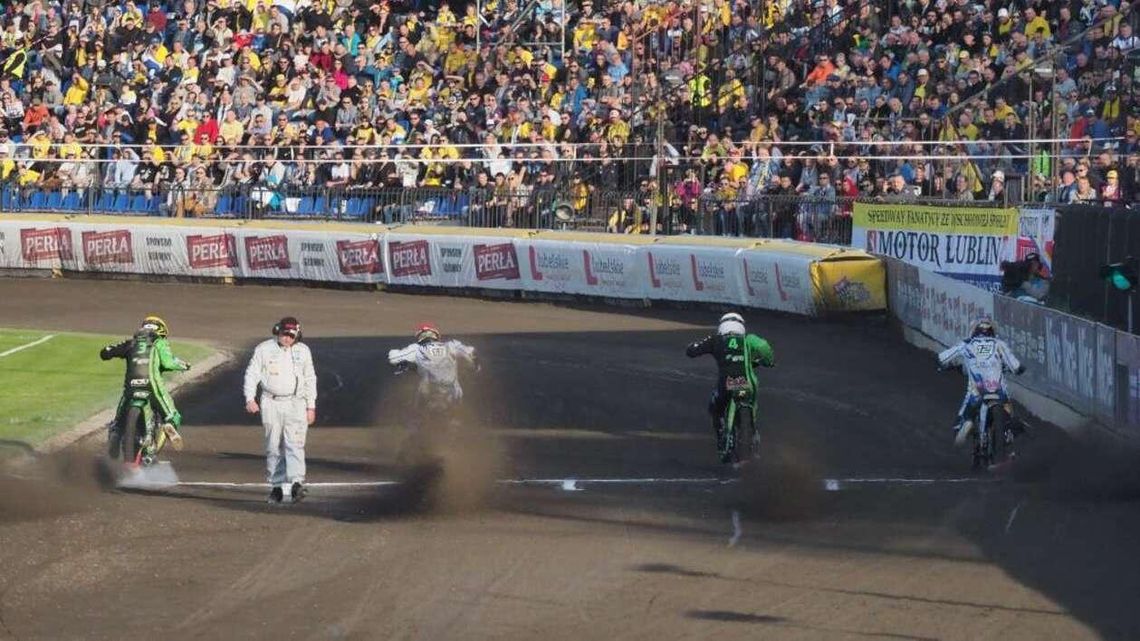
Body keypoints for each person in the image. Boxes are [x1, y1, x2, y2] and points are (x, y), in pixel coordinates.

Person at [243, 317, 317, 504]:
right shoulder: (263, 349)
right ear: (278, 331)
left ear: (297, 335)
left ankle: (296, 483)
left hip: (296, 402)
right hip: (271, 402)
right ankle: (276, 486)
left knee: (295, 444)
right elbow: (252, 374)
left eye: (292, 336)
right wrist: (250, 398)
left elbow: (310, 378)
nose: (287, 338)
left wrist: (311, 406)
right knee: (273, 446)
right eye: (285, 334)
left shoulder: (303, 351)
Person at [685, 313, 775, 462]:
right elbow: (764, 347)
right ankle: (752, 434)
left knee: (714, 408)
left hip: (725, 384)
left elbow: (692, 351)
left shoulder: (716, 340)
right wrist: (769, 361)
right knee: (752, 403)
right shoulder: (749, 339)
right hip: (745, 383)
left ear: (722, 326)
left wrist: (690, 347)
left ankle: (722, 439)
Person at [100, 315, 190, 461]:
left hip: (131, 385)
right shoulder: (159, 342)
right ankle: (155, 444)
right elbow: (168, 363)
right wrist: (184, 365)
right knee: (173, 415)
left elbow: (106, 352)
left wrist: (107, 351)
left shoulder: (131, 342)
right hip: (152, 385)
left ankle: (115, 432)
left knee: (121, 412)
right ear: (162, 332)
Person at [937, 318, 1025, 447]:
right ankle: (1008, 433)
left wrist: (943, 365)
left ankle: (965, 427)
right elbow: (1016, 367)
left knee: (961, 422)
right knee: (1010, 415)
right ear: (992, 331)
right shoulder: (999, 344)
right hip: (999, 392)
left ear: (974, 331)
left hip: (976, 392)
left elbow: (943, 357)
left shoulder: (967, 344)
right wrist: (1019, 369)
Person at [387, 323, 478, 413]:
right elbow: (471, 353)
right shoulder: (451, 345)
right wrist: (475, 367)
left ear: (420, 337)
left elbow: (393, 358)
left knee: (417, 411)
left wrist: (404, 364)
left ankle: (417, 418)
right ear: (436, 335)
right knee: (457, 411)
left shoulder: (417, 349)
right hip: (452, 390)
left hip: (428, 391)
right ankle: (458, 418)